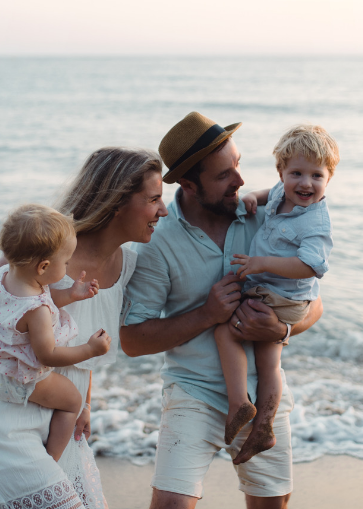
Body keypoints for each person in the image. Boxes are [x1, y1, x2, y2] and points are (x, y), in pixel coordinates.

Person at [120, 112, 324, 509]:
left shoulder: (266, 219)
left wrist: (278, 331)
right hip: (192, 392)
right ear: (190, 185)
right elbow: (131, 340)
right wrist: (206, 314)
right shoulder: (157, 240)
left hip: (264, 392)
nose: (241, 181)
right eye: (223, 175)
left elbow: (314, 305)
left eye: (238, 164)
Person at [0, 147, 167, 509]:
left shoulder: (126, 264)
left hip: (62, 433)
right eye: (154, 198)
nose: (163, 210)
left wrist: (86, 405)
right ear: (116, 203)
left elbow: (87, 342)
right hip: (4, 426)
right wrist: (17, 368)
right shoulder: (45, 252)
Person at [0, 203, 112, 464]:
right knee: (71, 402)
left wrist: (71, 294)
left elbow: (35, 297)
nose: (67, 267)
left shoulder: (2, 276)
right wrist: (90, 349)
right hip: (20, 380)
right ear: (43, 267)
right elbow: (48, 354)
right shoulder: (38, 311)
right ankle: (51, 460)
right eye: (65, 262)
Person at [217, 125, 338, 461]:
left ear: (329, 178)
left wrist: (260, 263)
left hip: (285, 297)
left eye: (317, 175)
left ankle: (243, 405)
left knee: (228, 333)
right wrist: (252, 199)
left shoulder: (316, 223)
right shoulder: (280, 194)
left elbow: (310, 266)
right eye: (296, 173)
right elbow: (267, 193)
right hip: (273, 291)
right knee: (265, 359)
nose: (306, 183)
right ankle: (261, 427)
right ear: (281, 173)